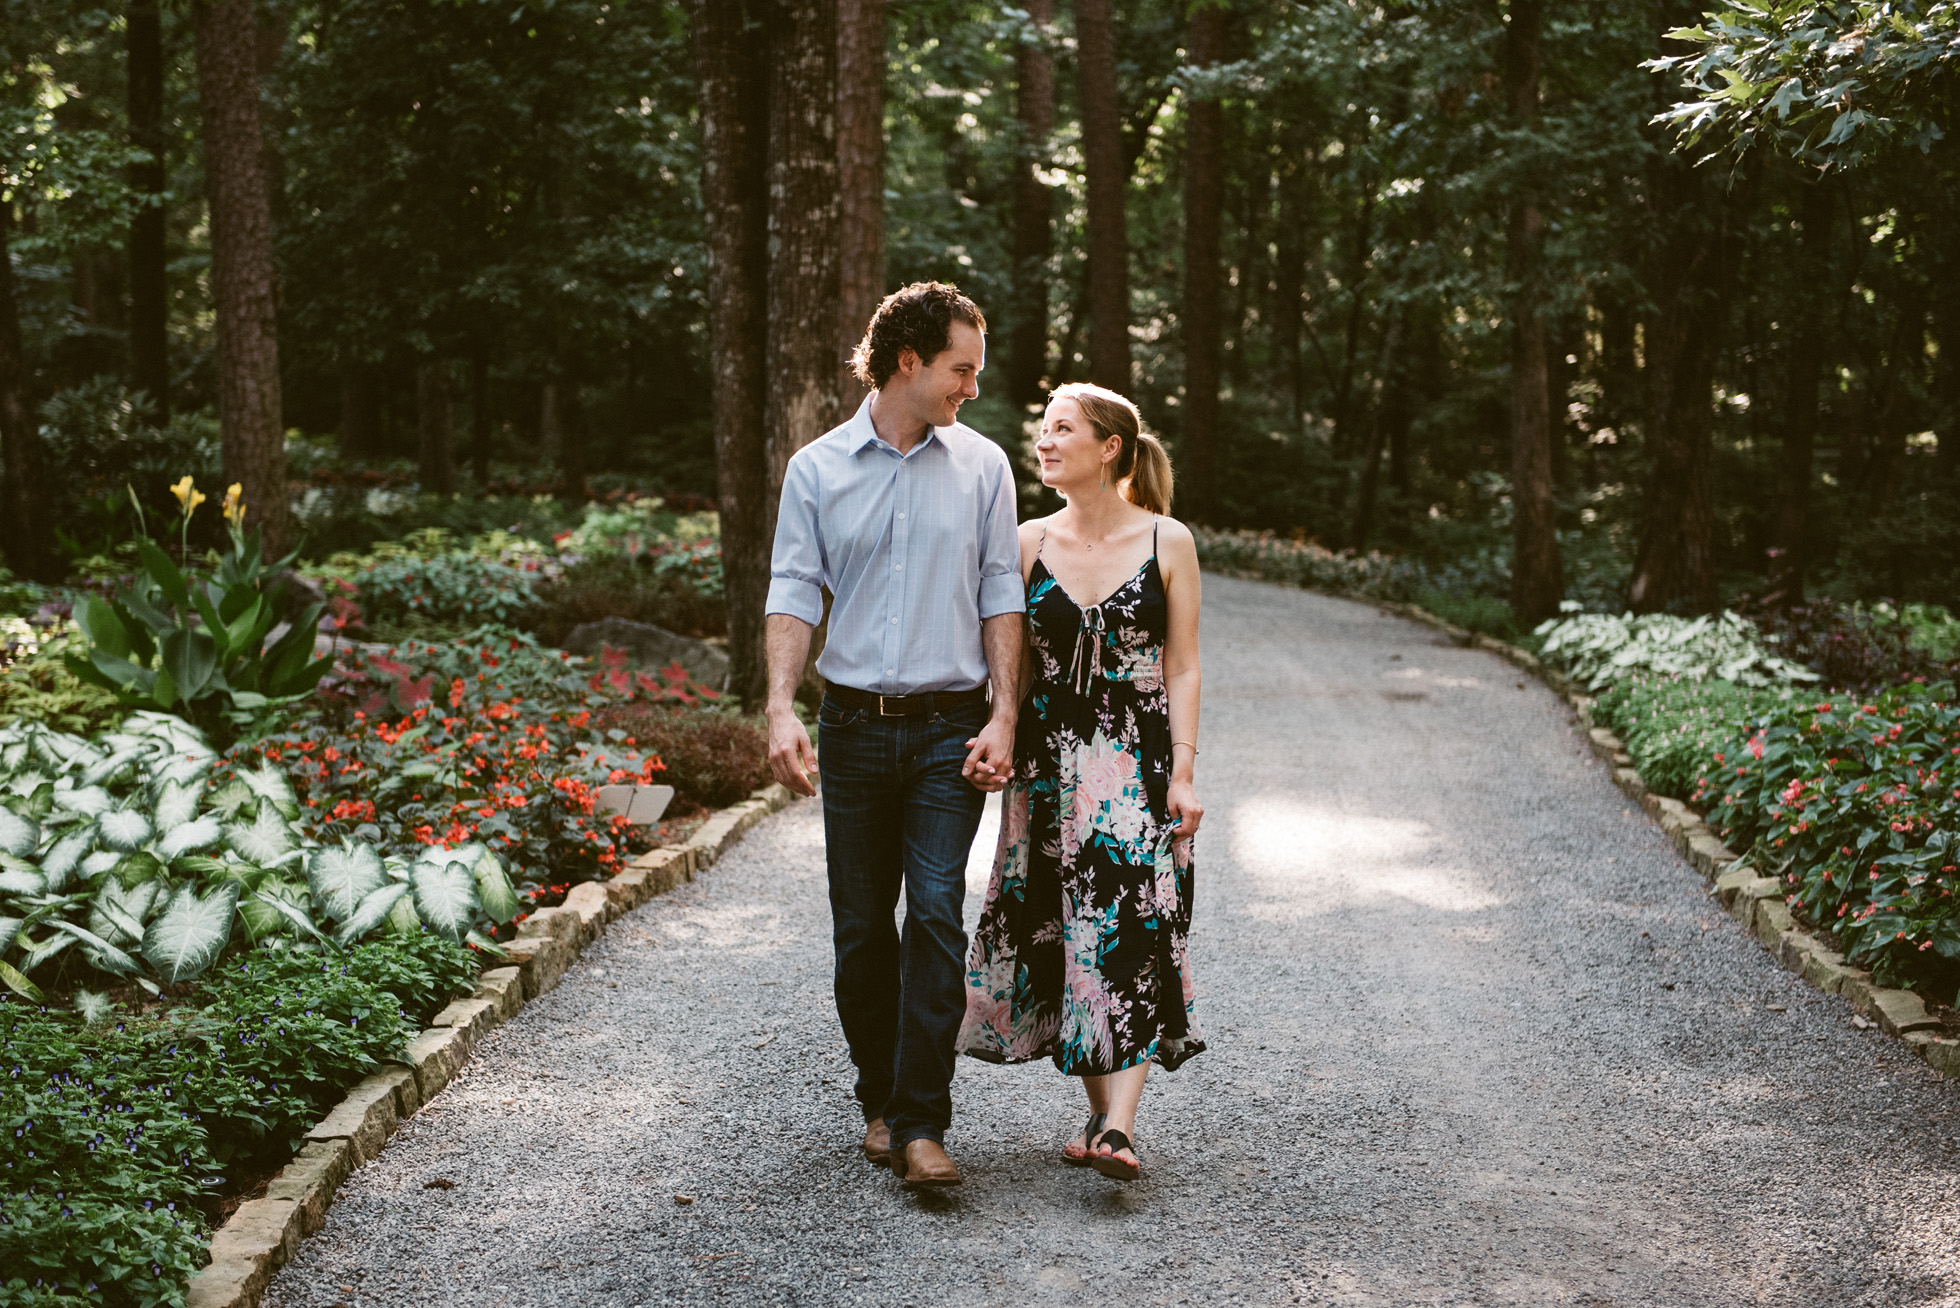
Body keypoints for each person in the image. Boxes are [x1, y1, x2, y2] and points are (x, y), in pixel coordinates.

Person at [764, 281, 1021, 1189]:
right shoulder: (817, 469)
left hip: (952, 727)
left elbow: (1002, 591)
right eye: (961, 369)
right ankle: (878, 1095)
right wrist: (779, 705)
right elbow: (795, 590)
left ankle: (921, 1124)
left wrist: (1003, 713)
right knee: (862, 931)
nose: (972, 388)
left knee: (940, 916)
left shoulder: (986, 466)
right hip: (855, 729)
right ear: (908, 360)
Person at [956, 381, 1206, 1182]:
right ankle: (1103, 1119)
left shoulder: (1170, 540)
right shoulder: (1028, 542)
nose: (1045, 441)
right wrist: (997, 732)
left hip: (1136, 766)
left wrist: (1187, 772)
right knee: (1068, 935)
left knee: (1127, 929)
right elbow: (1011, 662)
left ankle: (1122, 1129)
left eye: (1062, 428)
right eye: (1043, 428)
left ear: (1110, 449)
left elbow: (1185, 662)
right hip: (1048, 768)